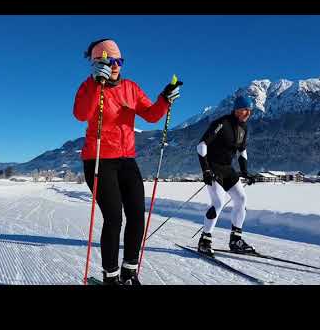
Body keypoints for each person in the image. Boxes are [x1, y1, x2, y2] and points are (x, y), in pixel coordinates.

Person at [73, 39, 182, 285]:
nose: (114, 66)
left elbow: (152, 115)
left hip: (127, 160)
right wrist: (95, 84)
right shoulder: (88, 87)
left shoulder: (131, 88)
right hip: (99, 160)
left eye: (118, 61)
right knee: (114, 218)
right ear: (97, 63)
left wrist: (165, 99)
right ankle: (110, 277)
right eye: (108, 61)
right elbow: (81, 114)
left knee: (136, 215)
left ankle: (129, 272)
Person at [196, 95, 257, 255]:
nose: (248, 113)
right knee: (218, 203)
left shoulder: (244, 128)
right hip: (213, 168)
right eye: (245, 109)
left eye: (250, 110)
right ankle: (205, 240)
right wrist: (206, 170)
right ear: (237, 109)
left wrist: (245, 172)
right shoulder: (222, 123)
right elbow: (202, 145)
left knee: (241, 199)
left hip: (227, 169)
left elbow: (242, 150)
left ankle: (236, 240)